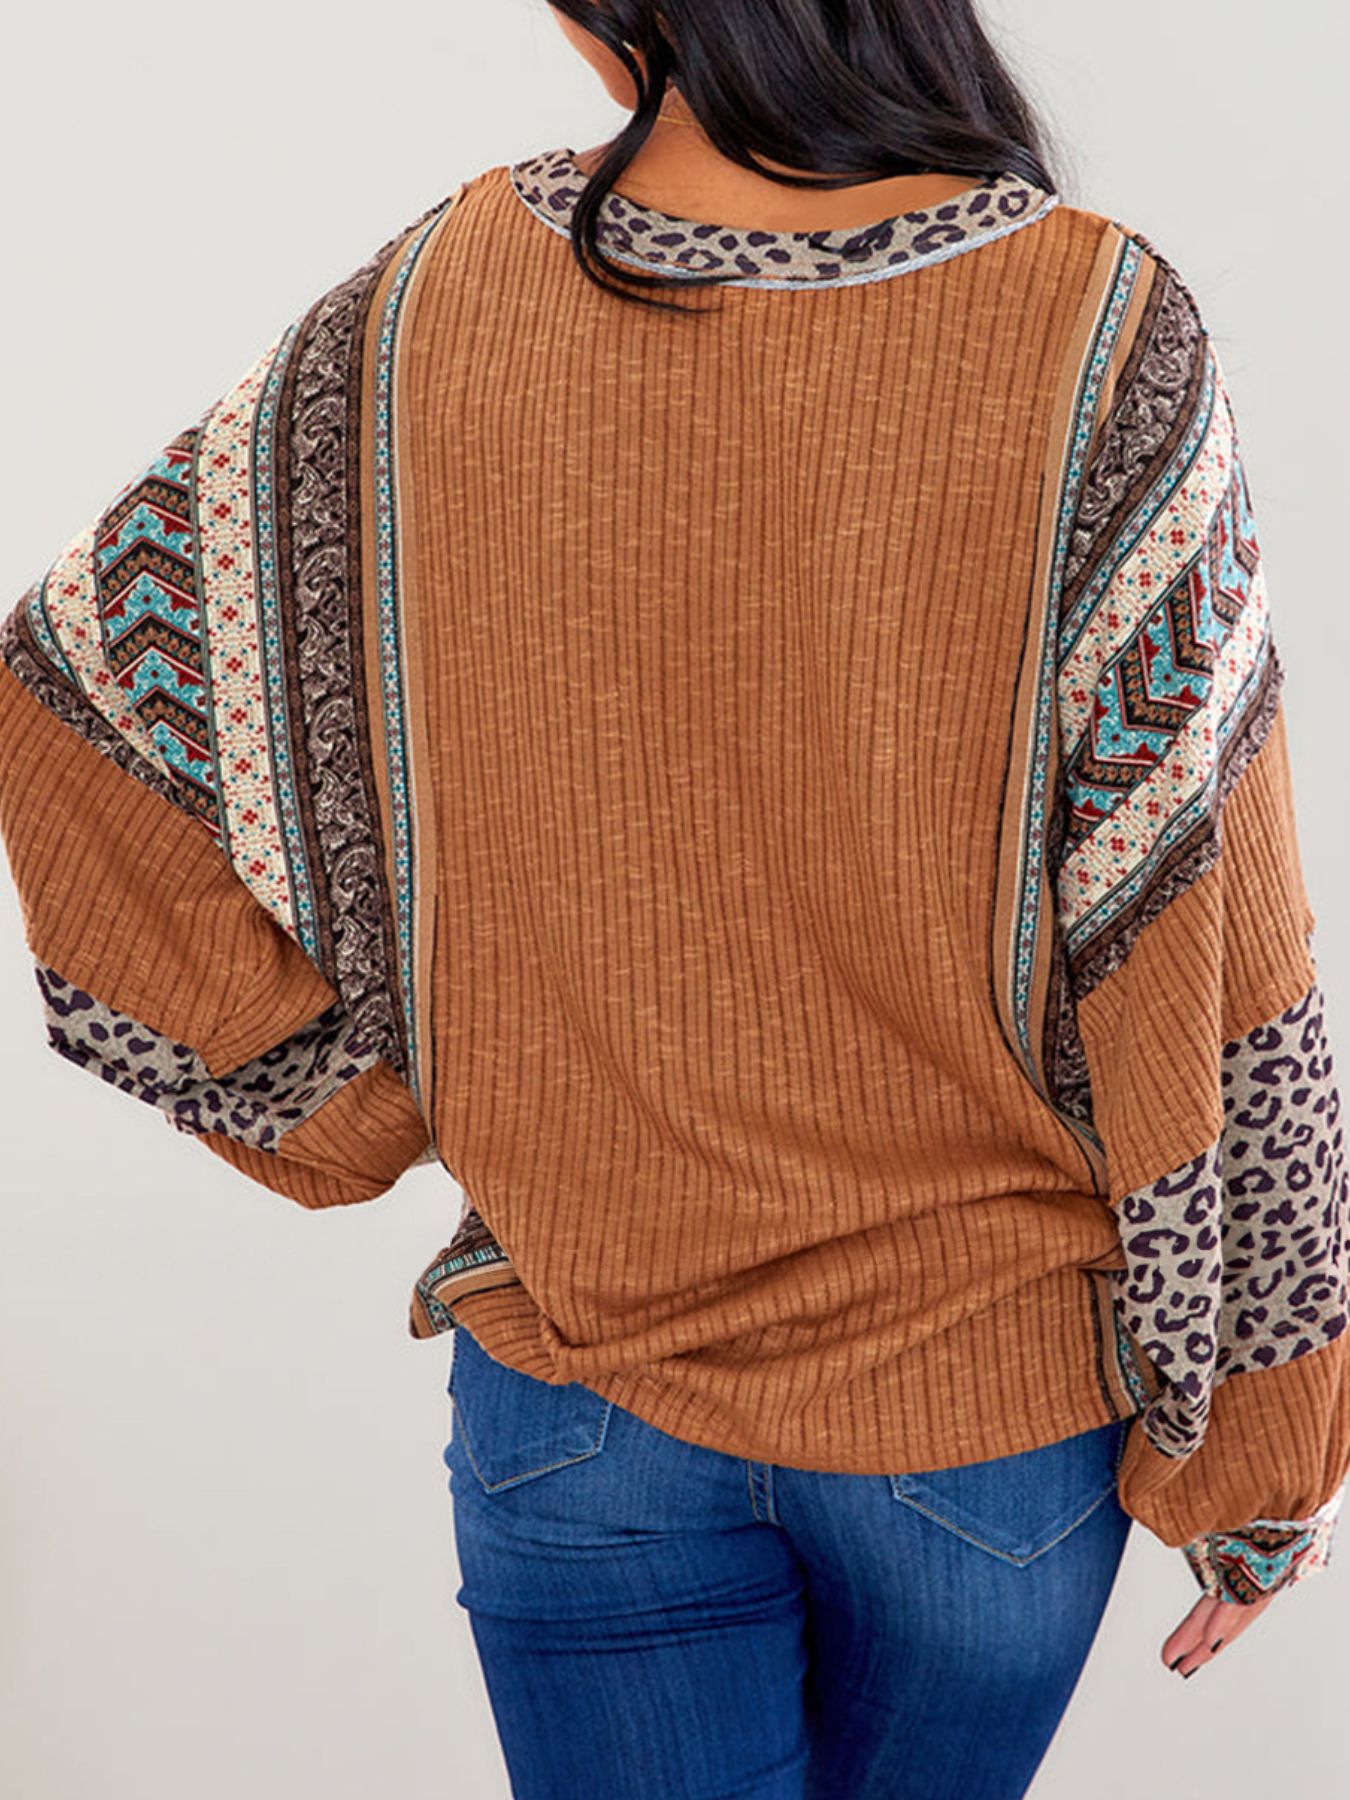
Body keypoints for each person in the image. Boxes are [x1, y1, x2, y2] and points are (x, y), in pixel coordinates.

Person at [0, 2, 1345, 1795]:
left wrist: (349, 1100)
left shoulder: (431, 310)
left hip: (585, 1402)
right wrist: (1263, 1442)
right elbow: (1220, 926)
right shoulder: (1098, 324)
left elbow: (73, 705)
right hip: (988, 1433)